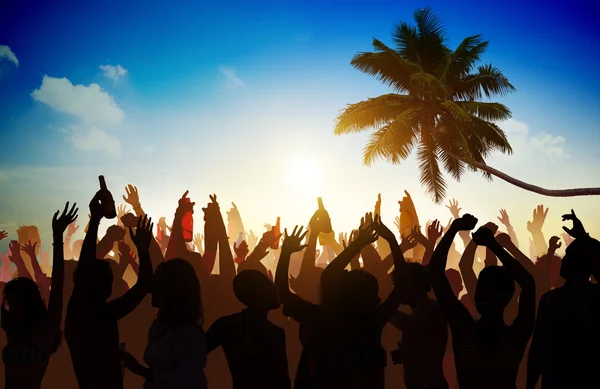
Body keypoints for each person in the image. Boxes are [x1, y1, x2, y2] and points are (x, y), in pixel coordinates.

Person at [428, 214, 536, 389]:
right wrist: (494, 245)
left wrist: (455, 228)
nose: (486, 296)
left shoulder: (463, 328)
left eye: (490, 290)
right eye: (484, 290)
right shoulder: (516, 336)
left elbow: (435, 271)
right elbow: (528, 284)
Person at [65, 190, 153, 389]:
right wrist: (144, 251)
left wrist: (96, 219)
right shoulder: (105, 314)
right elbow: (144, 285)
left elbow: (84, 268)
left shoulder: (74, 315)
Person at [1, 202, 77, 389]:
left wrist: (58, 237)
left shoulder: (44, 331)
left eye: (12, 302)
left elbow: (58, 286)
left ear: (25, 302)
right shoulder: (12, 325)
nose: (9, 306)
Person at [526, 210, 600, 389]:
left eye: (570, 256)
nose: (565, 258)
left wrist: (584, 239)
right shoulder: (548, 300)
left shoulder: (594, 299)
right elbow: (537, 350)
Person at [121, 258, 208, 389]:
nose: (150, 290)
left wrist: (141, 370)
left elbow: (189, 381)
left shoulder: (188, 334)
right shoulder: (158, 326)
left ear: (170, 289)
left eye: (156, 284)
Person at [207, 270, 290, 389]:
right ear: (259, 293)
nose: (274, 288)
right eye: (268, 284)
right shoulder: (274, 332)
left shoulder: (228, 324)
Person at [389, 261, 449, 389]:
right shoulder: (425, 309)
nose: (398, 291)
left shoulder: (430, 308)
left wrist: (383, 310)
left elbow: (411, 325)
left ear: (417, 284)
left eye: (402, 285)